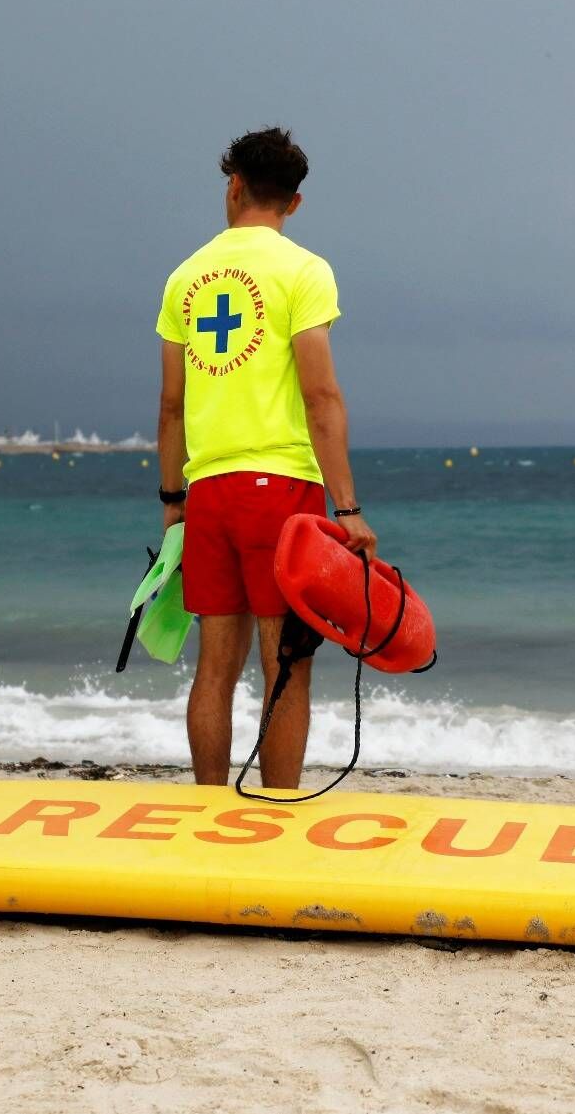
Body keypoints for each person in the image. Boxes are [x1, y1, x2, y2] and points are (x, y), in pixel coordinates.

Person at [155, 127, 376, 789]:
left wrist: (173, 505)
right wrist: (349, 507)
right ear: (295, 203)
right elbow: (322, 394)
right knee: (286, 664)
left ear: (233, 187)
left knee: (214, 665)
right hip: (282, 493)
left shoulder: (185, 276)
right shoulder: (304, 271)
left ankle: (207, 811)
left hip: (211, 491)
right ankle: (277, 816)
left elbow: (170, 406)